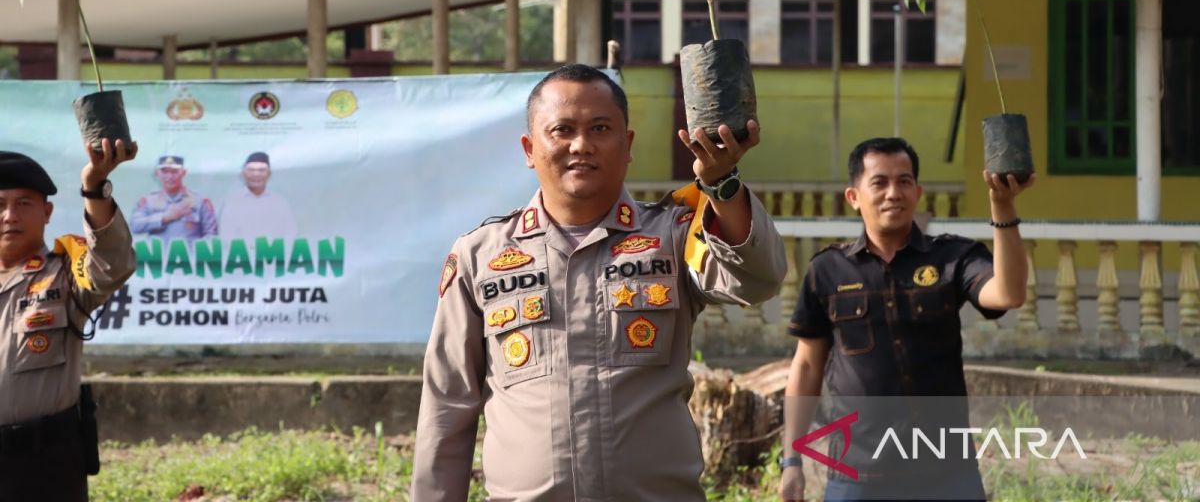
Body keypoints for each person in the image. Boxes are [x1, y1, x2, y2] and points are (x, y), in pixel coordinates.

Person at [411, 64, 787, 501]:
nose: (581, 145)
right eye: (562, 130)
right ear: (530, 149)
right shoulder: (482, 255)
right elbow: (447, 405)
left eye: (600, 128)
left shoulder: (674, 234)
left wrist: (722, 184)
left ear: (627, 145)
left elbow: (757, 280)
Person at [780, 137, 1034, 502]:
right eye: (879, 182)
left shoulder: (952, 257)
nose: (893, 193)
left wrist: (1003, 205)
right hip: (857, 472)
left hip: (946, 472)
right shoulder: (828, 269)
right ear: (854, 197)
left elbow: (1009, 294)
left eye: (904, 181)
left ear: (918, 192)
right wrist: (792, 461)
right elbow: (806, 367)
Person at [0, 139, 138, 502]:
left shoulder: (66, 273)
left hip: (43, 464)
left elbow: (112, 264)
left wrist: (95, 186)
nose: (9, 216)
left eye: (23, 204)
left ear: (46, 213)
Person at [129, 155, 217, 241]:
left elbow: (211, 235)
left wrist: (199, 254)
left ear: (184, 172)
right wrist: (164, 218)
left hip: (189, 255)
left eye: (175, 171)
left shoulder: (200, 201)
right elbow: (135, 226)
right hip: (157, 255)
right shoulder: (148, 201)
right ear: (157, 173)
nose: (170, 176)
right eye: (165, 171)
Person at [218, 152, 299, 240]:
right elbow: (226, 237)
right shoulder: (232, 203)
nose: (256, 175)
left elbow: (291, 233)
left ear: (269, 174)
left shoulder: (280, 202)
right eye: (251, 170)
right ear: (243, 174)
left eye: (261, 170)